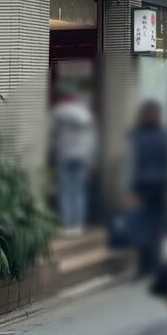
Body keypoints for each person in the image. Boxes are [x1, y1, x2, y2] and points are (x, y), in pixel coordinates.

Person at [128, 100, 167, 277]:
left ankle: (143, 266)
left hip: (142, 186)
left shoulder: (135, 136)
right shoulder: (164, 135)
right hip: (160, 185)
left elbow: (131, 164)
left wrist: (131, 190)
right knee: (157, 226)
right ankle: (154, 264)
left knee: (141, 225)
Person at [50, 91, 97, 235]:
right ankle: (78, 225)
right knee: (79, 191)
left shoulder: (58, 112)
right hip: (82, 156)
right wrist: (92, 159)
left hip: (64, 155)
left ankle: (67, 225)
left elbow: (51, 135)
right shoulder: (86, 114)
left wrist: (51, 153)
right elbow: (92, 140)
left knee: (66, 191)